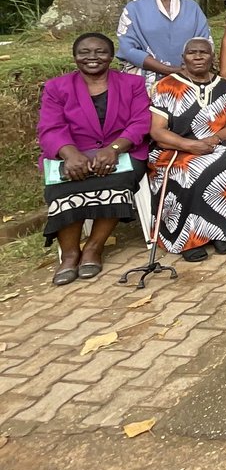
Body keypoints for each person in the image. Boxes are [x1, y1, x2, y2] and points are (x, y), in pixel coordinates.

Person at [38, 34, 152, 285]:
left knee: (119, 179)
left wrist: (115, 148)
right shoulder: (57, 87)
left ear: (111, 56)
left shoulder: (132, 83)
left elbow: (140, 122)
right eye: (84, 52)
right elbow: (50, 127)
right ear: (75, 56)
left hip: (121, 151)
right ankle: (69, 255)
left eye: (100, 52)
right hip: (73, 152)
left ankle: (93, 248)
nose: (92, 57)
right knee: (65, 185)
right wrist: (70, 154)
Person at [147, 38, 226, 262]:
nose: (198, 56)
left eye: (203, 52)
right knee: (190, 170)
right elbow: (157, 131)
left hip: (213, 145)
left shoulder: (224, 86)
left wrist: (214, 139)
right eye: (192, 53)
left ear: (212, 57)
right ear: (183, 58)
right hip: (174, 148)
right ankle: (187, 238)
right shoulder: (166, 85)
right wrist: (189, 145)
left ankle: (219, 231)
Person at [117, 0, 212, 92]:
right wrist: (170, 70)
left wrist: (187, 69)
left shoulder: (192, 8)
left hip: (188, 79)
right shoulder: (134, 9)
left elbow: (205, 43)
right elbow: (128, 49)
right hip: (146, 84)